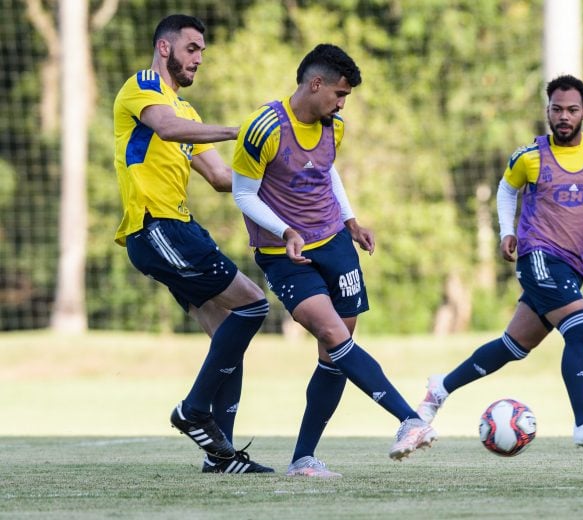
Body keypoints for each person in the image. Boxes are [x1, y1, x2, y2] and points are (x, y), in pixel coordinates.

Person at [231, 43, 436, 478]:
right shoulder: (262, 128)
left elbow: (327, 171)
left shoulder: (333, 127)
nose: (342, 104)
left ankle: (303, 457)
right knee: (332, 331)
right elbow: (243, 192)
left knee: (333, 355)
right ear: (315, 83)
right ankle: (410, 418)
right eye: (339, 94)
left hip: (336, 243)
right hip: (285, 254)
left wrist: (351, 220)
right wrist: (286, 231)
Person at [416, 75, 583, 446]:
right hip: (539, 256)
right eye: (557, 109)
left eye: (572, 110)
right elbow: (505, 189)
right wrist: (505, 232)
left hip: (572, 265)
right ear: (548, 111)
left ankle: (441, 387)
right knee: (580, 328)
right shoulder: (530, 156)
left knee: (513, 347)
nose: (564, 116)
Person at [113, 14, 274, 473]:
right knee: (254, 305)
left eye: (201, 51)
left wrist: (275, 161)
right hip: (157, 228)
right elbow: (165, 128)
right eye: (192, 48)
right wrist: (237, 130)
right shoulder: (143, 87)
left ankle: (218, 457)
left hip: (178, 230)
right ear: (165, 49)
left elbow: (224, 179)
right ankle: (192, 410)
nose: (199, 59)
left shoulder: (191, 114)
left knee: (229, 338)